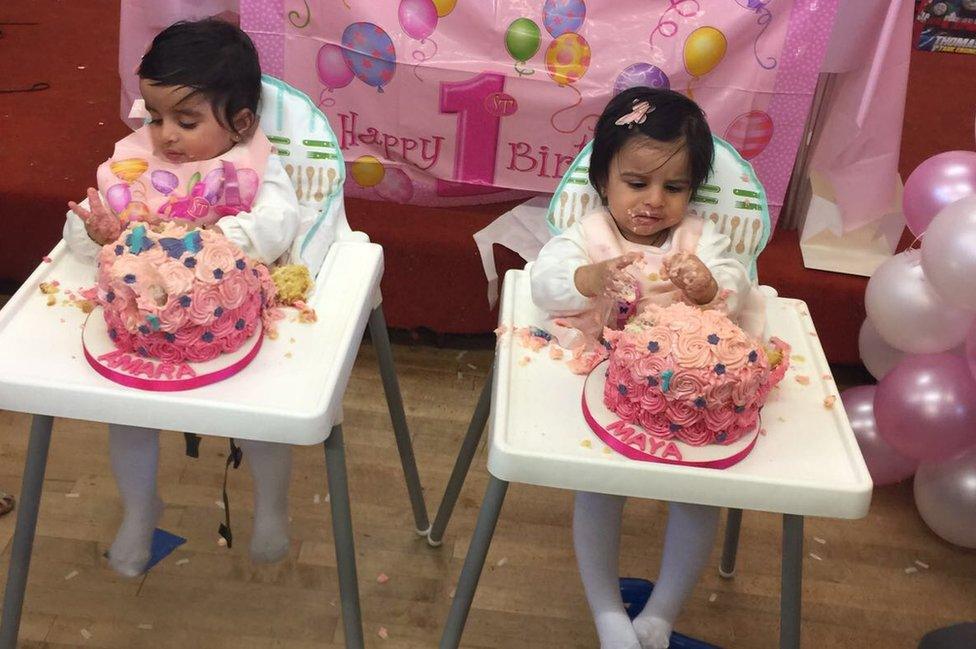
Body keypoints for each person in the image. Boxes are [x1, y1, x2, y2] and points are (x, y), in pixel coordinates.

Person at [63, 18, 299, 577]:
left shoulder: (251, 169)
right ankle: (140, 510)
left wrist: (197, 242)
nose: (165, 135)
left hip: (226, 323)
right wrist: (97, 230)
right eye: (155, 116)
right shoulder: (139, 167)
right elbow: (76, 237)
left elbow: (278, 226)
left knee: (261, 415)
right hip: (141, 328)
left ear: (240, 123)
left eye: (186, 121)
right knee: (127, 416)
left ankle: (270, 506)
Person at [530, 87, 756, 649]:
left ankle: (658, 615)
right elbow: (543, 282)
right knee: (598, 488)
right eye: (637, 183)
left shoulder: (702, 241)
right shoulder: (588, 238)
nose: (654, 201)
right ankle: (608, 614)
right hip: (603, 383)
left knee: (699, 495)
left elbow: (738, 284)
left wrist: (710, 285)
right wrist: (588, 278)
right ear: (603, 180)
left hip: (690, 394)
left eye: (674, 187)